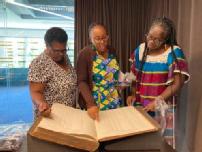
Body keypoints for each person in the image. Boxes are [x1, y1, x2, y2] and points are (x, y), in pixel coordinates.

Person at [127, 17, 190, 147]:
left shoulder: (173, 53)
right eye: (149, 36)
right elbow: (134, 75)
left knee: (160, 145)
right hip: (141, 106)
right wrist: (132, 94)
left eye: (156, 39)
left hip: (162, 109)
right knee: (141, 144)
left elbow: (177, 84)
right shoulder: (141, 50)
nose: (151, 41)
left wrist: (157, 101)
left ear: (165, 40)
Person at [28, 27, 77, 119]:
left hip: (68, 115)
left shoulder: (64, 57)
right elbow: (35, 92)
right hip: (50, 117)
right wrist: (41, 104)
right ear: (47, 45)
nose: (61, 54)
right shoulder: (39, 63)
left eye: (64, 50)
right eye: (56, 50)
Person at [77, 23, 122, 121]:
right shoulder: (85, 54)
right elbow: (81, 81)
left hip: (114, 99)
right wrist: (90, 103)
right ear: (91, 39)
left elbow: (114, 72)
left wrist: (120, 82)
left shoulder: (112, 51)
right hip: (95, 103)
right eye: (97, 39)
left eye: (104, 38)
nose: (102, 42)